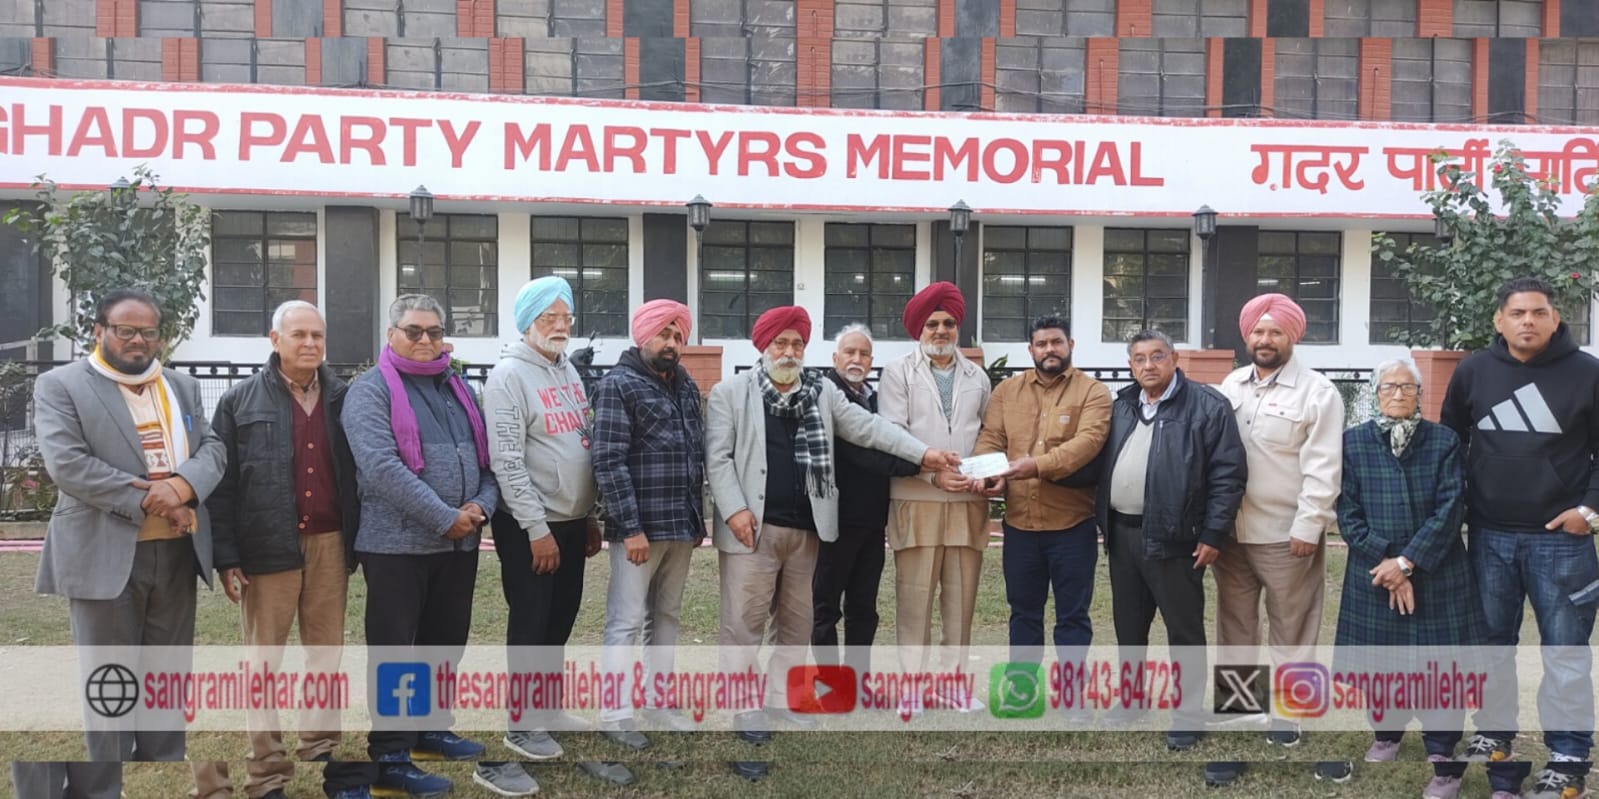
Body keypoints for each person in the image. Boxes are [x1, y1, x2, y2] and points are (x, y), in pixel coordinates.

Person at [706, 305, 960, 780]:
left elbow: (869, 427)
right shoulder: (731, 392)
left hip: (809, 530)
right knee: (743, 623)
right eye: (781, 343)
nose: (789, 352)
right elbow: (717, 458)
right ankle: (742, 706)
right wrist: (735, 509)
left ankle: (781, 699)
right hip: (752, 529)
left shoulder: (820, 392)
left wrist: (923, 453)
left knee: (797, 624)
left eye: (797, 344)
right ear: (764, 347)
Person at [11, 288, 225, 799]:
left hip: (177, 553)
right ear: (99, 331)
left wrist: (183, 486)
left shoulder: (181, 385)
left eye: (149, 332)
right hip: (103, 556)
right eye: (125, 330)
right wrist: (157, 498)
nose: (138, 340)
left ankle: (160, 775)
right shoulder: (61, 385)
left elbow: (214, 448)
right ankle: (103, 789)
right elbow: (69, 465)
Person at [1441, 277, 1599, 799]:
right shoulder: (1473, 372)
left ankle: (1568, 757)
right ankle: (1494, 735)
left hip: (1562, 542)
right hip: (1490, 536)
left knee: (1565, 653)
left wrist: (1589, 511)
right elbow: (1450, 444)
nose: (1527, 321)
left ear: (1556, 318)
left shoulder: (1588, 374)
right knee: (1490, 646)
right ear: (1499, 320)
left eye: (1538, 312)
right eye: (1517, 313)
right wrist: (1461, 508)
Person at [341, 294, 497, 797]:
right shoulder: (370, 391)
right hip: (397, 546)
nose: (425, 340)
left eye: (434, 331)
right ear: (391, 335)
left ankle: (432, 728)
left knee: (445, 641)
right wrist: (443, 517)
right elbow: (380, 467)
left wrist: (481, 507)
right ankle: (390, 754)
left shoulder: (457, 387)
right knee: (395, 651)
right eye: (414, 331)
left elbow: (485, 460)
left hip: (458, 545)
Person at [204, 300, 360, 799]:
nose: (310, 343)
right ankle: (267, 770)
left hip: (330, 543)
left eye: (317, 335)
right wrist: (227, 556)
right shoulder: (239, 401)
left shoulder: (345, 397)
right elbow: (221, 485)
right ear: (275, 340)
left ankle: (320, 745)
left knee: (325, 654)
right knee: (263, 662)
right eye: (299, 335)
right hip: (266, 547)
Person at [1207, 293, 1348, 788]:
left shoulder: (1318, 393)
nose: (1265, 340)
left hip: (1287, 534)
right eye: (1258, 332)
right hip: (1232, 532)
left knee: (1293, 624)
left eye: (1275, 332)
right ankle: (1240, 704)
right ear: (1246, 336)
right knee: (1235, 621)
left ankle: (1290, 713)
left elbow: (1324, 467)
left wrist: (1310, 525)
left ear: (1293, 336)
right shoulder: (1230, 386)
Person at [474, 277, 604, 796]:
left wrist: (587, 514)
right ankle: (522, 724)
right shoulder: (508, 376)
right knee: (531, 622)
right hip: (532, 525)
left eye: (566, 317)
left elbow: (580, 440)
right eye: (549, 317)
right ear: (528, 322)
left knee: (560, 619)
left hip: (571, 522)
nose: (560, 326)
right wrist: (535, 529)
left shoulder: (567, 369)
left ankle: (547, 709)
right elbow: (506, 459)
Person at [1094, 329, 1245, 750]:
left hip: (1177, 539)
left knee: (1183, 630)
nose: (1148, 365)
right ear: (1130, 365)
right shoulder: (1123, 405)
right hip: (1122, 535)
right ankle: (1132, 701)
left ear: (1174, 359)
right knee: (1128, 626)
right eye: (1139, 358)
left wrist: (1214, 532)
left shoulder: (1208, 406)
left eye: (1157, 356)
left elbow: (1228, 474)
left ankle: (1188, 713)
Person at [1334, 359, 1479, 799]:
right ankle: (1387, 734)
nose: (1398, 393)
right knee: (1382, 662)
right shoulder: (1353, 442)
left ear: (1419, 393)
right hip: (1375, 571)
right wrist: (1387, 562)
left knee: (1441, 666)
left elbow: (1452, 507)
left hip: (1438, 570)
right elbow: (1347, 511)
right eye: (1388, 386)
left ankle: (1442, 748)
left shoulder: (1444, 440)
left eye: (1407, 386)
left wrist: (1409, 562)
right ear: (1375, 393)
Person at [588, 298, 704, 782]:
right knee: (626, 621)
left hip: (681, 525)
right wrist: (630, 526)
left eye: (678, 336)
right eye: (664, 334)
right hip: (639, 530)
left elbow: (695, 453)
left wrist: (697, 522)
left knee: (667, 616)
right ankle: (615, 713)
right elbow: (608, 459)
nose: (672, 343)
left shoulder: (686, 385)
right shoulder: (619, 385)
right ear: (643, 336)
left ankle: (659, 701)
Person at [975, 315, 1110, 717]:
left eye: (1056, 342)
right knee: (1023, 613)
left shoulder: (1093, 392)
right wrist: (988, 473)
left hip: (1072, 526)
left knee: (1073, 616)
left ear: (1070, 344)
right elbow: (990, 439)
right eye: (1041, 343)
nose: (1049, 349)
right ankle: (1022, 694)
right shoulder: (1007, 391)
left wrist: (1033, 466)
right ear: (1030, 349)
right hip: (1020, 525)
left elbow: (1086, 445)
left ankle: (1072, 697)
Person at [878, 282, 992, 703]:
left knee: (961, 600)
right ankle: (912, 686)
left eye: (948, 323)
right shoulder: (897, 373)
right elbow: (893, 435)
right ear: (918, 330)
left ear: (957, 327)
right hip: (917, 499)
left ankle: (953, 686)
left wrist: (984, 473)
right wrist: (933, 476)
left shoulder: (977, 376)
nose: (941, 331)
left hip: (967, 501)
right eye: (932, 324)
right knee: (915, 597)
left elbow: (989, 433)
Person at [814, 324, 921, 674]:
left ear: (872, 362)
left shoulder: (877, 400)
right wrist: (922, 463)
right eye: (850, 352)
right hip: (835, 521)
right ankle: (830, 683)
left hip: (873, 522)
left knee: (864, 607)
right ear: (835, 358)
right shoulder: (825, 396)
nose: (856, 359)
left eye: (863, 354)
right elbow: (863, 453)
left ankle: (858, 680)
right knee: (825, 607)